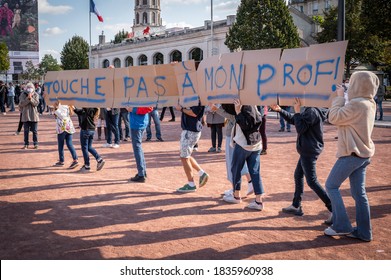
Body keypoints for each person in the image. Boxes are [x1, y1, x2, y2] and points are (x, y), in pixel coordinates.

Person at [324, 71, 378, 242]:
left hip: (352, 154)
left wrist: (340, 97)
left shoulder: (357, 105)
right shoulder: (369, 103)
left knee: (331, 186)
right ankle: (364, 231)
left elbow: (333, 117)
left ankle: (342, 225)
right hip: (362, 154)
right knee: (358, 193)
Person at [270, 98, 332, 223]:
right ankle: (296, 205)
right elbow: (295, 120)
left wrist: (297, 111)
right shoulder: (312, 109)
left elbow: (300, 127)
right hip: (308, 149)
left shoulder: (312, 111)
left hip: (309, 150)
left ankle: (334, 209)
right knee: (298, 175)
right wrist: (280, 110)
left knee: (312, 181)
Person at [221, 100, 265, 210]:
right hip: (256, 144)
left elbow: (246, 125)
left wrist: (238, 111)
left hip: (244, 144)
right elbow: (259, 119)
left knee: (236, 169)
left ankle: (236, 196)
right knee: (255, 172)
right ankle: (259, 201)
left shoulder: (245, 106)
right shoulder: (254, 104)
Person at [211, 103, 254, 197]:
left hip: (233, 134)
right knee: (238, 161)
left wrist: (217, 109)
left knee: (232, 162)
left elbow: (233, 116)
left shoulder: (235, 102)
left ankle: (236, 189)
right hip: (237, 133)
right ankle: (248, 182)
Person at [175, 101, 209, 192]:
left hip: (191, 131)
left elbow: (194, 113)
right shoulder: (193, 97)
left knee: (184, 157)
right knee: (186, 156)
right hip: (190, 130)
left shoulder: (198, 99)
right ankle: (201, 173)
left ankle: (191, 184)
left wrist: (181, 109)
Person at [74, 107, 105, 172]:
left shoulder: (86, 109)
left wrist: (72, 104)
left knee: (84, 148)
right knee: (89, 147)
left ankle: (87, 165)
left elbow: (78, 111)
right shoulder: (93, 108)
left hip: (86, 130)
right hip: (91, 129)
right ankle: (99, 159)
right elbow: (78, 111)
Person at [128, 106, 153, 182]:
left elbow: (149, 108)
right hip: (139, 123)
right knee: (139, 148)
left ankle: (141, 174)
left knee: (137, 149)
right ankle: (142, 172)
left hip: (137, 124)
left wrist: (133, 109)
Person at [53, 101, 79, 169]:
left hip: (62, 126)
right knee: (69, 144)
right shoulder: (68, 104)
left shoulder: (60, 105)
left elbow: (62, 115)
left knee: (61, 144)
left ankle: (62, 160)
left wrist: (56, 109)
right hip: (69, 125)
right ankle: (75, 159)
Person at [19, 82, 39, 149]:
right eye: (28, 87)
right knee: (26, 131)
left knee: (35, 131)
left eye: (31, 87)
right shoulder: (23, 94)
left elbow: (36, 104)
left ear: (33, 88)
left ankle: (35, 144)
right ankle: (26, 144)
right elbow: (22, 104)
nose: (29, 89)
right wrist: (28, 98)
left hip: (34, 115)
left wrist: (31, 98)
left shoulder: (36, 94)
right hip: (25, 115)